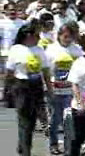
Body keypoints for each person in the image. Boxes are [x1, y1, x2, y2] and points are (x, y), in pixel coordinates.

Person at [6, 24, 53, 156]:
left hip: (36, 86)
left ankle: (22, 145)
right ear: (28, 36)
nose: (39, 38)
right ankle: (26, 151)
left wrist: (49, 89)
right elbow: (10, 71)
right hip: (21, 86)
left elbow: (46, 71)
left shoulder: (39, 50)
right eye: (37, 35)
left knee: (32, 121)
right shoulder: (16, 49)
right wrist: (8, 90)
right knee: (24, 120)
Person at [45, 23, 83, 154]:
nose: (67, 39)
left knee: (69, 119)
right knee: (55, 119)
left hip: (70, 91)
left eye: (70, 37)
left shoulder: (77, 50)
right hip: (55, 90)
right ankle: (53, 144)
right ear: (59, 36)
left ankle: (69, 147)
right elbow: (45, 71)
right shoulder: (51, 50)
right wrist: (47, 87)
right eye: (65, 36)